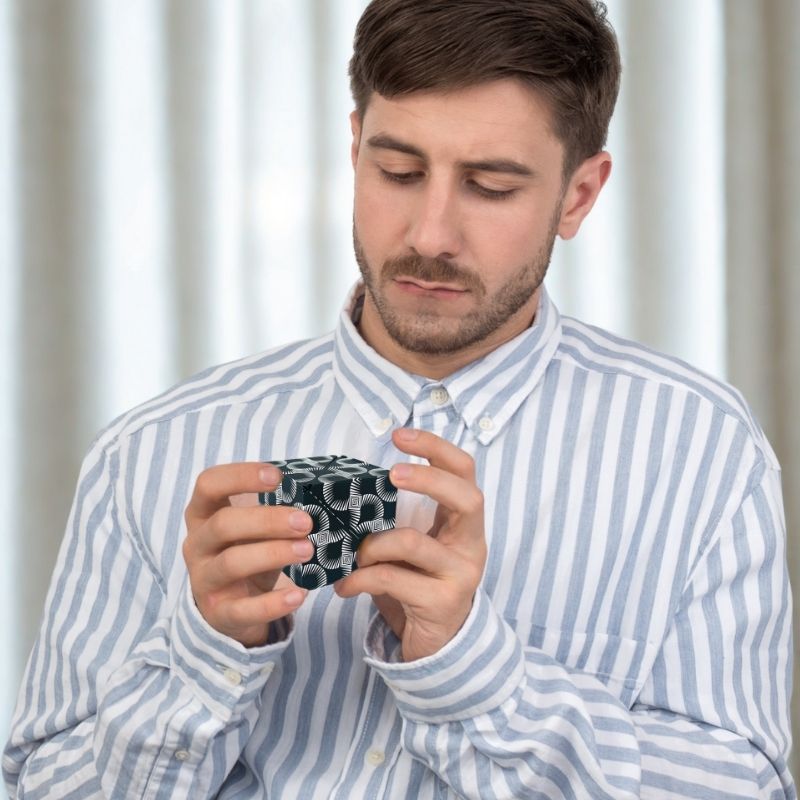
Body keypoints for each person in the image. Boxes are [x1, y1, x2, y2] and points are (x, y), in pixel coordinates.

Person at [3, 0, 795, 797]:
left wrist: (473, 672)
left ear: (579, 195)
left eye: (490, 186)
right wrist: (204, 658)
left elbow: (738, 786)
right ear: (354, 150)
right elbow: (39, 783)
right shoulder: (153, 450)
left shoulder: (701, 456)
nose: (430, 235)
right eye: (399, 173)